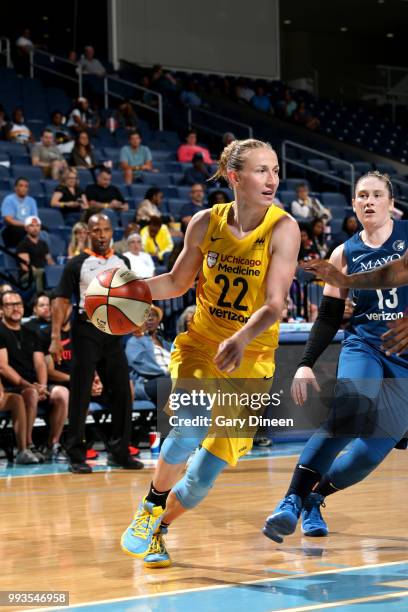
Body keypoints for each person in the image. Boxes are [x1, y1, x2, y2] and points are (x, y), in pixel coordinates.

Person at [120, 138, 300, 568]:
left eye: (275, 169)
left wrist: (241, 337)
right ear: (235, 177)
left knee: (201, 480)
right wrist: (134, 293)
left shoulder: (284, 228)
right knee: (188, 426)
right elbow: (179, 282)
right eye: (262, 170)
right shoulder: (205, 221)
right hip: (201, 346)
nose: (273, 179)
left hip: (252, 359)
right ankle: (150, 506)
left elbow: (275, 303)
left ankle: (158, 528)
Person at [263, 171, 408, 543]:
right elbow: (329, 316)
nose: (369, 201)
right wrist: (305, 363)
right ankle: (291, 501)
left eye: (377, 194)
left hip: (403, 357)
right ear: (355, 204)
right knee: (350, 409)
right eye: (362, 195)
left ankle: (315, 497)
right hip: (365, 345)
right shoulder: (343, 253)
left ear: (391, 203)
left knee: (369, 455)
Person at [49, 213, 144, 473]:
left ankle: (120, 451)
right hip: (86, 331)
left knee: (123, 392)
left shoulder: (121, 260)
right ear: (87, 233)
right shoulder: (77, 263)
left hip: (113, 332)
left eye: (105, 229)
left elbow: (130, 296)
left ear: (112, 231)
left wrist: (134, 322)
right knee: (80, 394)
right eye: (96, 230)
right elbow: (61, 301)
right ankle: (75, 454)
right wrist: (56, 338)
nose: (101, 235)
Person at [0, 290, 68, 461]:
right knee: (30, 394)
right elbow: (3, 367)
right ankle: (28, 445)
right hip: (13, 385)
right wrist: (30, 386)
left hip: (35, 384)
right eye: (10, 305)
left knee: (62, 393)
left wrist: (43, 386)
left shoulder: (31, 332)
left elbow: (40, 363)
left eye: (18, 304)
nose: (15, 308)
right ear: (1, 309)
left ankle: (53, 444)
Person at [126, 306, 171, 407]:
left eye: (153, 315)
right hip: (147, 383)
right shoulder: (134, 341)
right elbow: (142, 365)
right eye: (146, 316)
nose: (150, 318)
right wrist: (170, 373)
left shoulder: (167, 343)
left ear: (158, 320)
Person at [16, 216, 54, 293]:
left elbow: (50, 261)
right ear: (26, 228)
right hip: (27, 275)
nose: (35, 228)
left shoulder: (43, 244)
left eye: (37, 225)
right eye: (32, 226)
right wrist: (42, 272)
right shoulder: (23, 244)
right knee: (40, 272)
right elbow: (26, 266)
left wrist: (54, 269)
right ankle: (40, 296)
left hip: (43, 272)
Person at [1, 178, 39, 248]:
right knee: (21, 231)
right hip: (12, 228)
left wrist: (31, 226)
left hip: (28, 226)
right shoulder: (9, 199)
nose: (24, 188)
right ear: (15, 188)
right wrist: (26, 225)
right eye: (21, 186)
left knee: (44, 231)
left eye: (26, 186)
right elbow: (8, 220)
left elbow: (34, 219)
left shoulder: (31, 201)